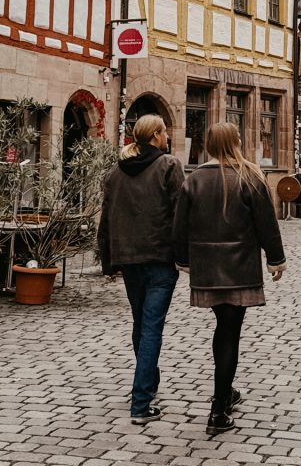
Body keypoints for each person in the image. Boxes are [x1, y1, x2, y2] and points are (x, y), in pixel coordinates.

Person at [173, 122, 286, 436]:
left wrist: (183, 261)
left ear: (208, 144)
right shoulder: (250, 177)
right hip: (239, 267)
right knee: (230, 332)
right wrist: (276, 259)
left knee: (224, 328)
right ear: (236, 142)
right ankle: (219, 409)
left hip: (207, 268)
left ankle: (225, 393)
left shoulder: (193, 180)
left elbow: (179, 227)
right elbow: (266, 222)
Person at [97, 114, 184, 425]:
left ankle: (148, 382)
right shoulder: (169, 166)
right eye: (164, 132)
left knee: (141, 323)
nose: (167, 137)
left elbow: (106, 220)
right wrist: (185, 256)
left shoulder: (114, 174)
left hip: (129, 259)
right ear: (156, 135)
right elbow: (180, 213)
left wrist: (108, 261)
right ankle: (141, 403)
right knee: (151, 327)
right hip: (159, 259)